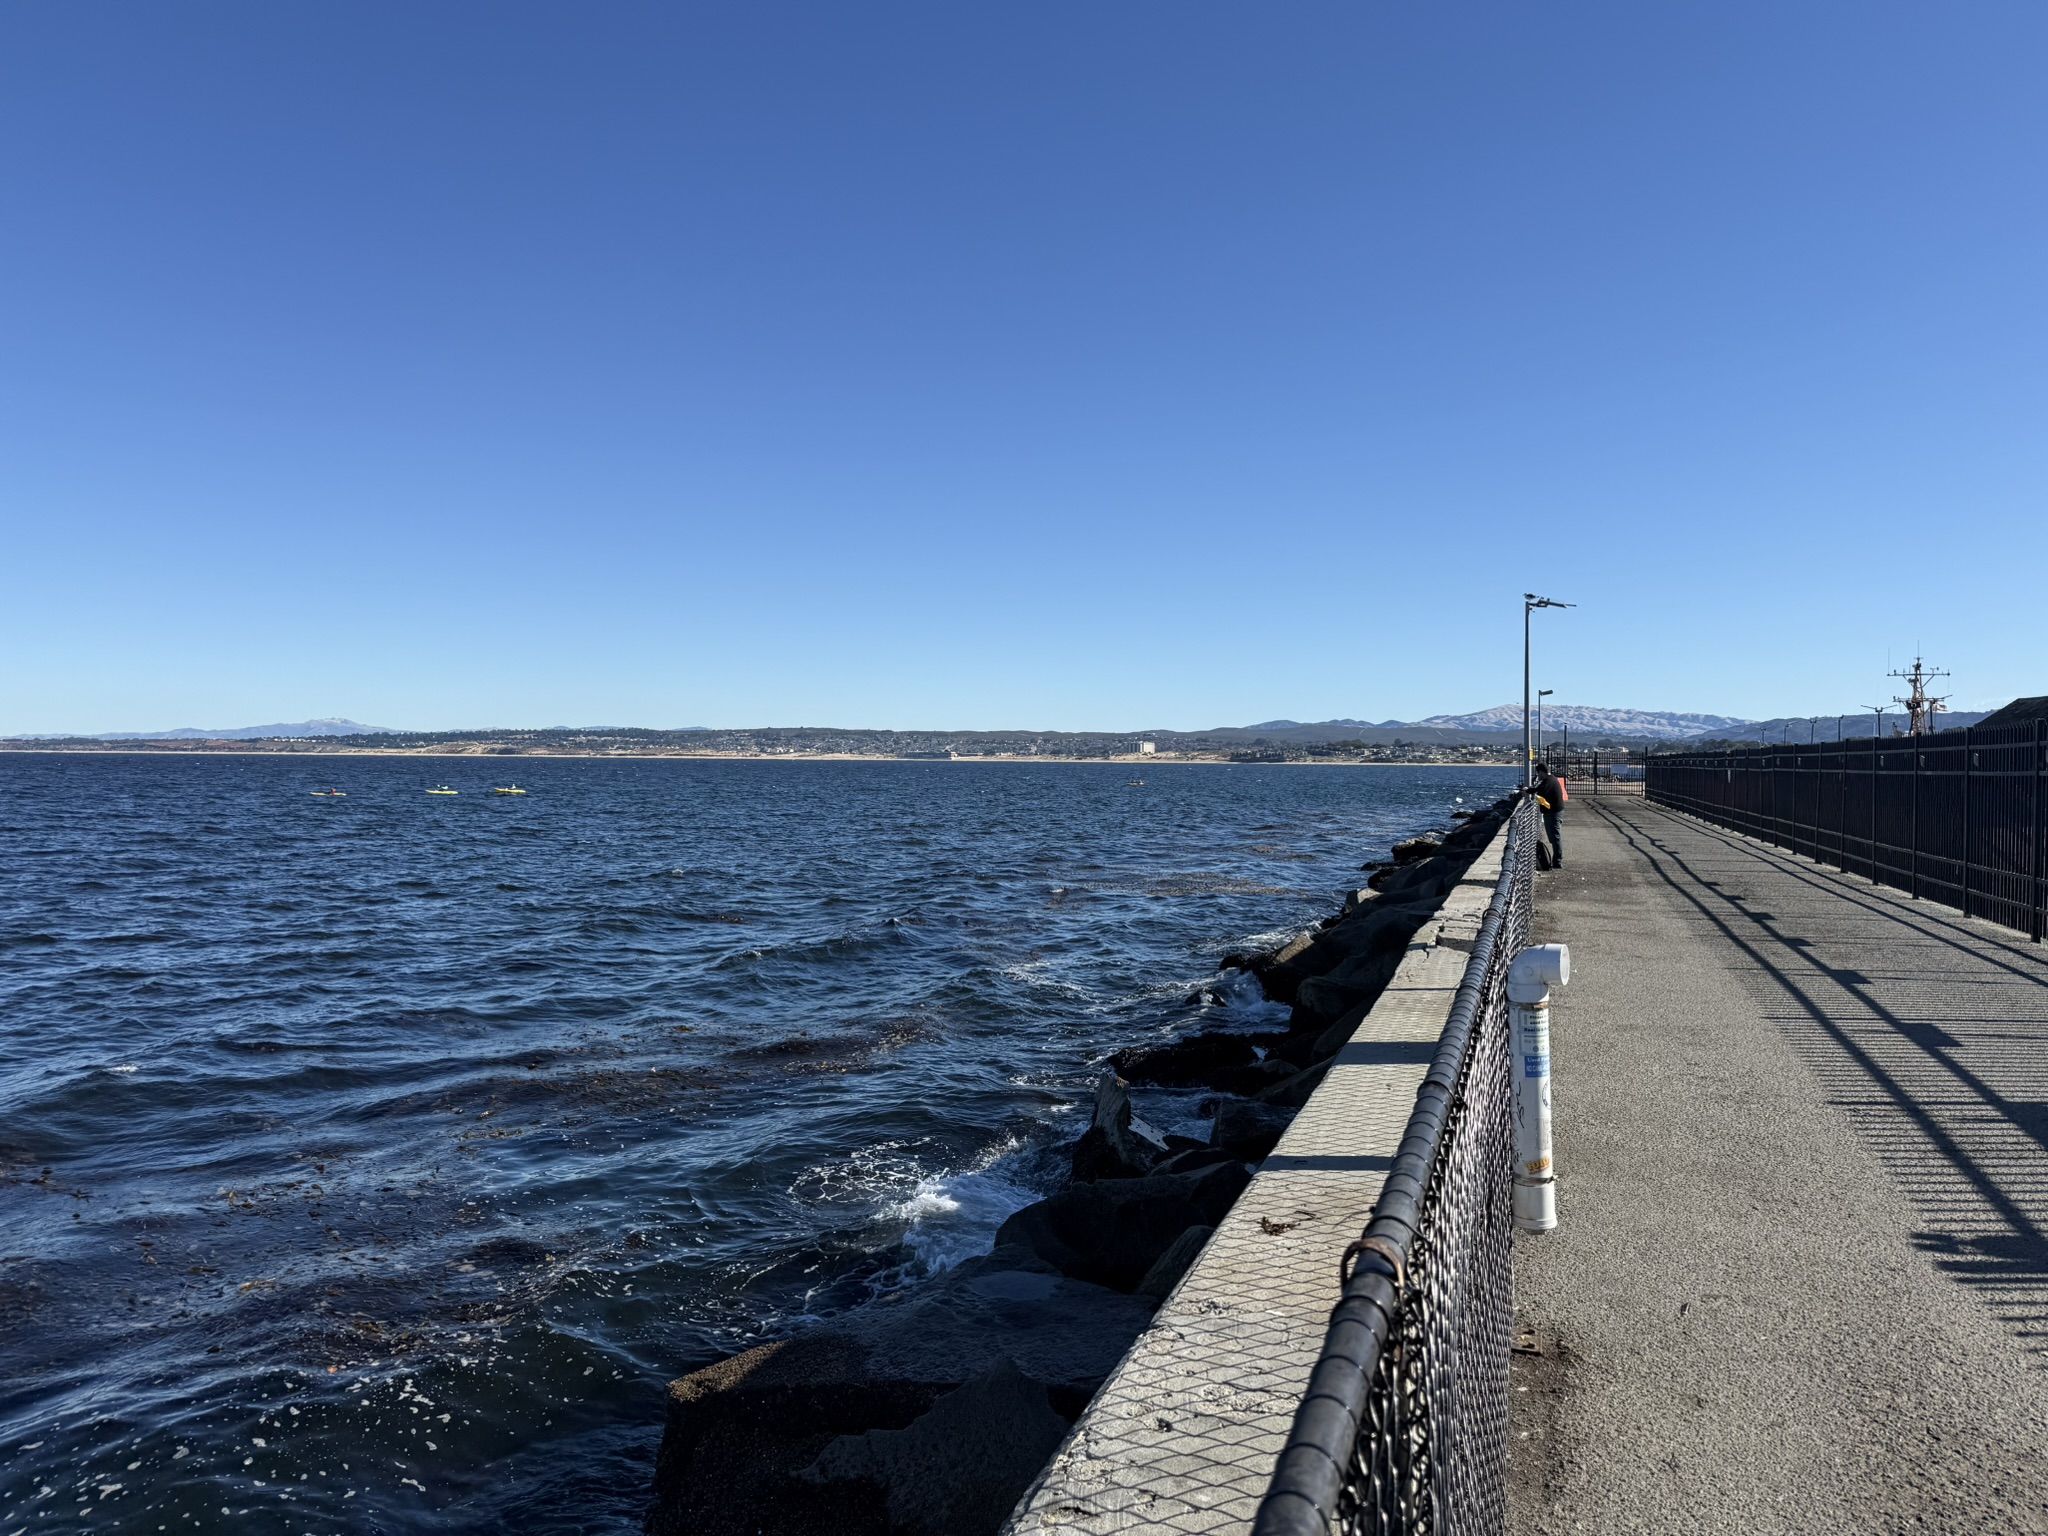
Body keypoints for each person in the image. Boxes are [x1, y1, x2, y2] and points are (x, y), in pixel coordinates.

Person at [1533, 762, 1568, 867]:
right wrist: (1531, 791)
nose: (1538, 776)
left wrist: (1530, 792)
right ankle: (1556, 860)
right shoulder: (1551, 779)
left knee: (1555, 837)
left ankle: (1557, 861)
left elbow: (1541, 791)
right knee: (1553, 837)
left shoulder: (1548, 781)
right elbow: (1540, 789)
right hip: (1553, 811)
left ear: (1541, 772)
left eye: (1538, 774)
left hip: (1554, 813)